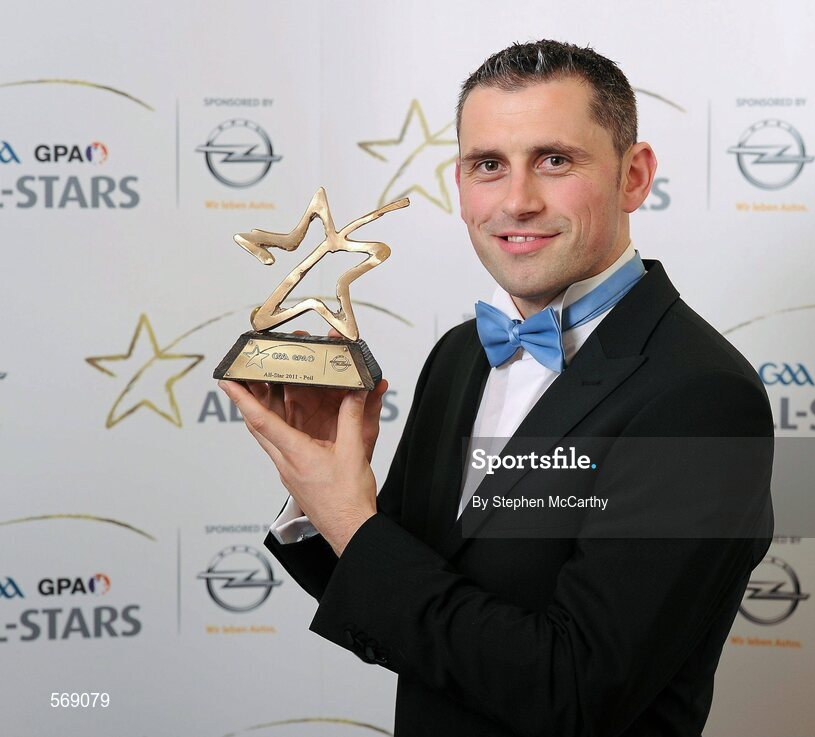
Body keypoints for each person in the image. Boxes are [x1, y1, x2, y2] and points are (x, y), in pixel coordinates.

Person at [219, 40, 774, 737]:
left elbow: (574, 691)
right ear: (460, 185)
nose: (517, 200)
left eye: (554, 160)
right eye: (488, 165)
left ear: (634, 176)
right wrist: (320, 487)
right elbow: (402, 612)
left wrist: (353, 521)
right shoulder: (458, 356)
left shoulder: (701, 397)